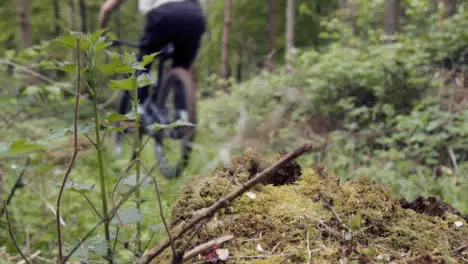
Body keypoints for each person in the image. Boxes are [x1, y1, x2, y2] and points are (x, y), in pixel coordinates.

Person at [98, 0, 206, 108]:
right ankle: (183, 115)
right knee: (181, 66)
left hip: (163, 15)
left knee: (143, 61)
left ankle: (138, 110)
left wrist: (102, 36)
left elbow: (107, 8)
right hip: (195, 15)